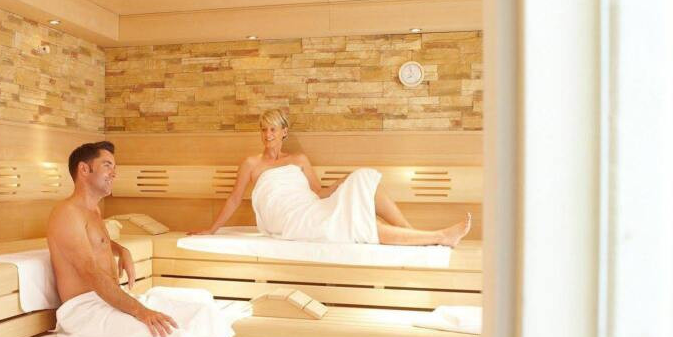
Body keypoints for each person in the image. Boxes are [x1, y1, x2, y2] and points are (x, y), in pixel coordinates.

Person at [46, 140, 295, 337]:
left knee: (202, 308)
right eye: (107, 165)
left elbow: (93, 245)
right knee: (168, 333)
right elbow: (92, 274)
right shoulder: (66, 213)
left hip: (108, 302)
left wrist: (120, 249)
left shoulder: (92, 211)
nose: (114, 173)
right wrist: (141, 311)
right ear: (84, 170)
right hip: (85, 313)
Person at [191, 109, 471, 247]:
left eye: (273, 129)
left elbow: (318, 193)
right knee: (356, 223)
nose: (268, 135)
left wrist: (341, 184)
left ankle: (414, 234)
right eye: (264, 130)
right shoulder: (251, 164)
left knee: (363, 178)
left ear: (284, 132)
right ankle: (436, 238)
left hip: (310, 206)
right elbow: (234, 199)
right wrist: (212, 229)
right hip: (289, 219)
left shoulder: (299, 159)